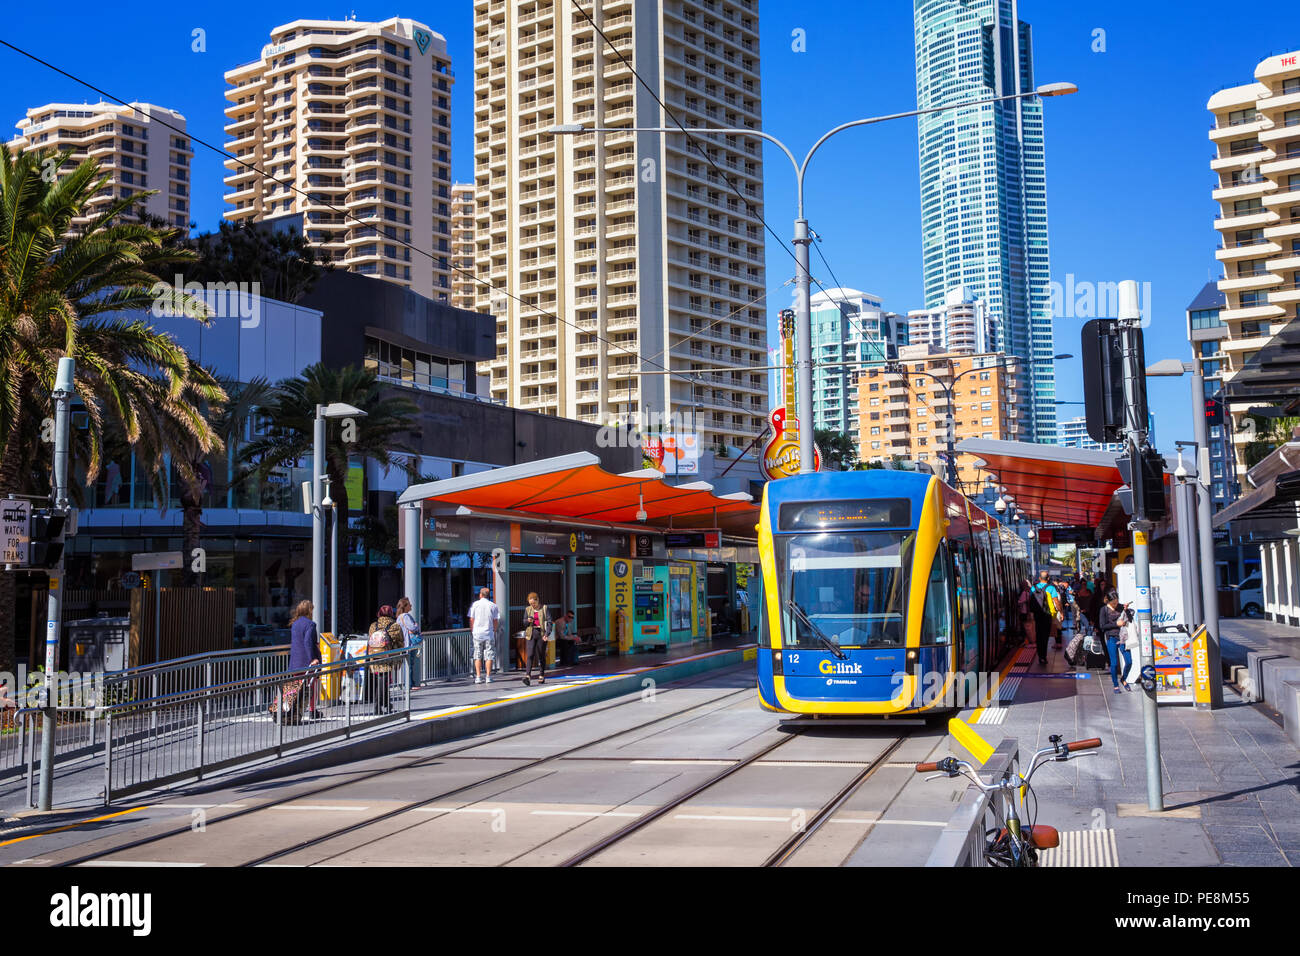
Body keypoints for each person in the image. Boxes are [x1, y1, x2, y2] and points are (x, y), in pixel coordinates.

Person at [288, 600, 322, 719]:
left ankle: (292, 710)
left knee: (296, 687)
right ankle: (312, 711)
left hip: (295, 661)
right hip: (306, 661)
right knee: (311, 686)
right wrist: (312, 658)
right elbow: (308, 642)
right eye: (311, 609)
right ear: (309, 610)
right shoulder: (310, 624)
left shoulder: (295, 624)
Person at [367, 604, 404, 713]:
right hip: (388, 656)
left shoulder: (374, 625)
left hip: (374, 656)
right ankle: (378, 707)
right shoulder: (395, 626)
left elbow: (370, 639)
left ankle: (387, 704)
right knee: (384, 680)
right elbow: (400, 641)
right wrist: (399, 656)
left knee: (381, 679)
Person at [1099, 590, 1130, 694]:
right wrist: (1116, 624)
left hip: (1123, 638)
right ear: (1109, 601)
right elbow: (1103, 626)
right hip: (1111, 637)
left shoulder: (1121, 607)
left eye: (1117, 602)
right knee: (1114, 663)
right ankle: (1115, 685)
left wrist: (1127, 610)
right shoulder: (1104, 610)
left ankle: (1123, 678)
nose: (1116, 604)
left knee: (1129, 661)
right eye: (1114, 603)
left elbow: (1130, 619)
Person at [468, 587, 499, 684]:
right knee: (489, 655)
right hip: (488, 633)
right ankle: (488, 676)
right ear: (488, 595)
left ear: (480, 595)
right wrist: (494, 630)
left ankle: (478, 676)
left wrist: (472, 630)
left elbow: (471, 619)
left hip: (477, 633)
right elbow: (495, 620)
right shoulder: (493, 606)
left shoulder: (475, 605)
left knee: (477, 654)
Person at [521, 591, 552, 687]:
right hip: (531, 633)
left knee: (541, 655)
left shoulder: (544, 608)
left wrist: (547, 634)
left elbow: (549, 622)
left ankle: (541, 674)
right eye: (530, 603)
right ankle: (528, 676)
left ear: (537, 600)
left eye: (534, 603)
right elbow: (524, 622)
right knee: (530, 654)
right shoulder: (528, 609)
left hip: (541, 633)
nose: (532, 605)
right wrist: (527, 621)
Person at [1029, 574, 1055, 665]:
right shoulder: (1051, 588)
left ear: (1039, 578)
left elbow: (1030, 600)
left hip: (1037, 614)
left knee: (1039, 635)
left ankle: (1040, 656)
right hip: (1047, 615)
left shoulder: (1033, 588)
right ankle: (1043, 656)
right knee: (1045, 636)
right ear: (1048, 578)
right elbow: (1055, 600)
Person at [396, 597, 421, 686]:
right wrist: (416, 625)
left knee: (408, 664)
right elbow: (413, 627)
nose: (411, 605)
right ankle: (409, 684)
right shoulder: (405, 616)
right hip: (409, 643)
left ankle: (409, 684)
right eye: (409, 604)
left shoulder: (399, 617)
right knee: (409, 664)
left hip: (405, 643)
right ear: (405, 606)